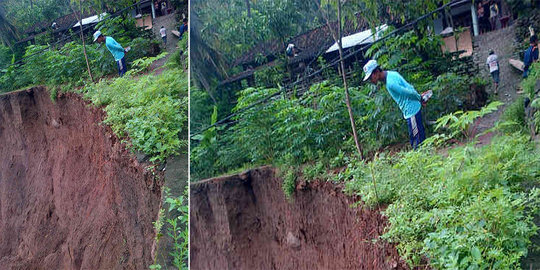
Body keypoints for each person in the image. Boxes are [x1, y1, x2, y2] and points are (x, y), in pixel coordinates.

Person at [363, 59, 426, 149]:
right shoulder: (392, 74)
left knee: (417, 142)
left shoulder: (391, 83)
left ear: (376, 72)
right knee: (418, 137)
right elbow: (409, 87)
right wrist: (419, 98)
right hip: (412, 108)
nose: (370, 80)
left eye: (370, 77)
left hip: (411, 111)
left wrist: (420, 98)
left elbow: (408, 92)